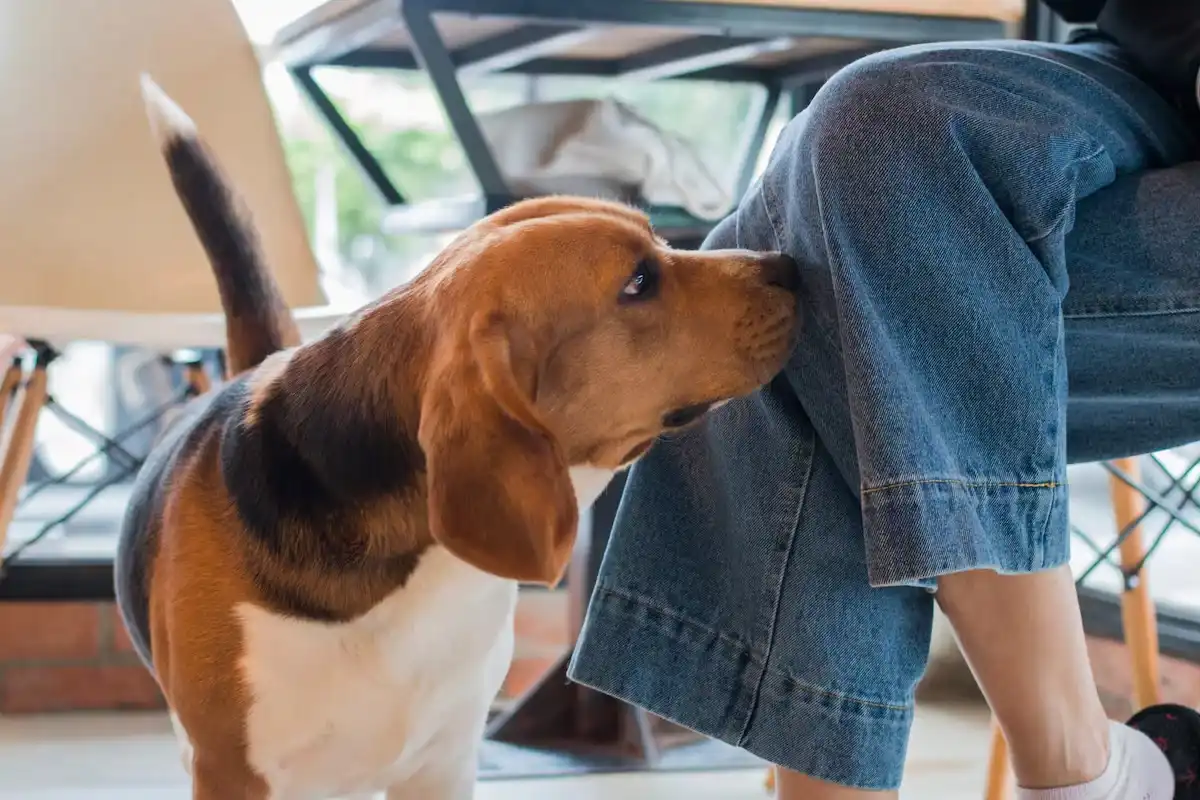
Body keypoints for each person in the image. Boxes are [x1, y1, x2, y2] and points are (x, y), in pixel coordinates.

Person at [567, 1, 1200, 798]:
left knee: (810, 296)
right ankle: (1091, 773)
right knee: (870, 140)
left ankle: (1080, 775)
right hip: (1152, 72)